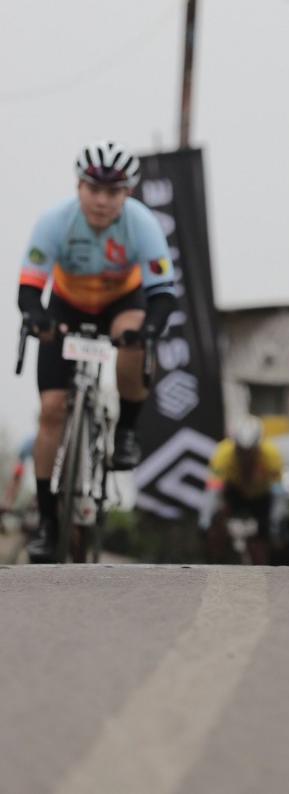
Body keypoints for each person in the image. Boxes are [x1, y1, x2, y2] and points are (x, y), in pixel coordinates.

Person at [17, 140, 177, 563]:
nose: (102, 201)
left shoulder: (142, 225)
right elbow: (29, 288)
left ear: (127, 193)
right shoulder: (55, 221)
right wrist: (38, 319)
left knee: (135, 337)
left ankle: (126, 430)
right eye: (94, 189)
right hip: (67, 306)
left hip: (121, 304)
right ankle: (48, 522)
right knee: (51, 411)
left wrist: (150, 329)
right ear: (79, 187)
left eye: (113, 192)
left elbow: (162, 293)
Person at [200, 417, 286, 566]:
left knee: (263, 541)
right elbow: (213, 490)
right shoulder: (222, 454)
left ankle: (260, 569)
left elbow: (278, 493)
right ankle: (217, 560)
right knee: (217, 517)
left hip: (261, 495)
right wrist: (205, 520)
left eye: (250, 451)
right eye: (241, 451)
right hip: (235, 491)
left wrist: (277, 521)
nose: (245, 456)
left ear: (258, 445)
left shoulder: (272, 455)